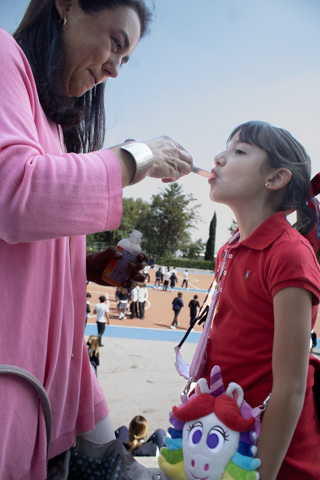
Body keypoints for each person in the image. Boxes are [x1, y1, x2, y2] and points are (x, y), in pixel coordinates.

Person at [0, 1, 193, 478]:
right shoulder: (2, 54)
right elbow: (15, 192)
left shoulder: (53, 126)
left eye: (126, 59)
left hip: (46, 388)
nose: (115, 68)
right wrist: (138, 157)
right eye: (115, 43)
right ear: (66, 6)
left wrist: (83, 263)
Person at [201, 121, 320, 479]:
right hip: (229, 433)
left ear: (275, 178)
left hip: (274, 454)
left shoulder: (289, 255)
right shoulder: (228, 250)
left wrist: (260, 473)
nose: (219, 158)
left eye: (239, 151)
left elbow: (290, 389)